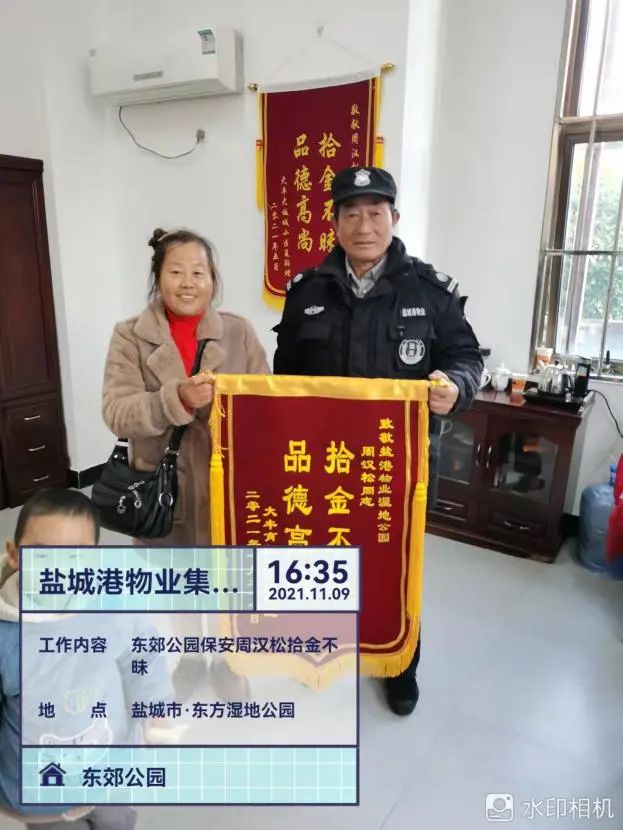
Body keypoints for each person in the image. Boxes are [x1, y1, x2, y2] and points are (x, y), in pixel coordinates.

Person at [273, 166, 483, 716]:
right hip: (323, 462)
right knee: (323, 559)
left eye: (375, 213)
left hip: (402, 464)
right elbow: (283, 376)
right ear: (334, 223)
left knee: (395, 566)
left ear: (395, 217)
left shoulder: (429, 291)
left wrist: (455, 386)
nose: (363, 226)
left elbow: (465, 358)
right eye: (351, 214)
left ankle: (399, 664)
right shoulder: (307, 291)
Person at [102, 228, 270, 701]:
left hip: (226, 487)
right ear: (158, 278)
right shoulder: (130, 336)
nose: (188, 282)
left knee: (232, 583)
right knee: (179, 583)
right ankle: (193, 658)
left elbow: (266, 402)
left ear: (213, 279)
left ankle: (231, 661)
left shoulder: (238, 332)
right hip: (163, 489)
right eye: (176, 271)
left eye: (199, 271)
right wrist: (175, 398)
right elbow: (116, 411)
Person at [0, 488, 157, 830]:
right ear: (14, 554)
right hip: (44, 790)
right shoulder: (7, 637)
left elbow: (143, 656)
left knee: (117, 820)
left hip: (110, 767)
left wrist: (154, 706)